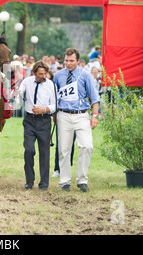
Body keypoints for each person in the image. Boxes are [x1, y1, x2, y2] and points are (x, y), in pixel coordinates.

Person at [53, 48, 100, 192]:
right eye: (66, 60)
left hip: (81, 114)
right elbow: (55, 97)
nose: (68, 63)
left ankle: (82, 180)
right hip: (63, 114)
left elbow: (94, 97)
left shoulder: (85, 75)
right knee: (64, 149)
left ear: (78, 61)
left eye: (71, 61)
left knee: (87, 146)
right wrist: (54, 116)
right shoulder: (58, 76)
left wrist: (95, 115)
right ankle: (64, 181)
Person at [13, 60, 56, 190]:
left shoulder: (51, 85)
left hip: (44, 120)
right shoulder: (27, 81)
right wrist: (15, 93)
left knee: (44, 152)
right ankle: (29, 181)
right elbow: (19, 91)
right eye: (40, 74)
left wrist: (44, 109)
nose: (44, 76)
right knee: (29, 150)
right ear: (34, 73)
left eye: (45, 73)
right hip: (29, 121)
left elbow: (55, 105)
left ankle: (43, 183)